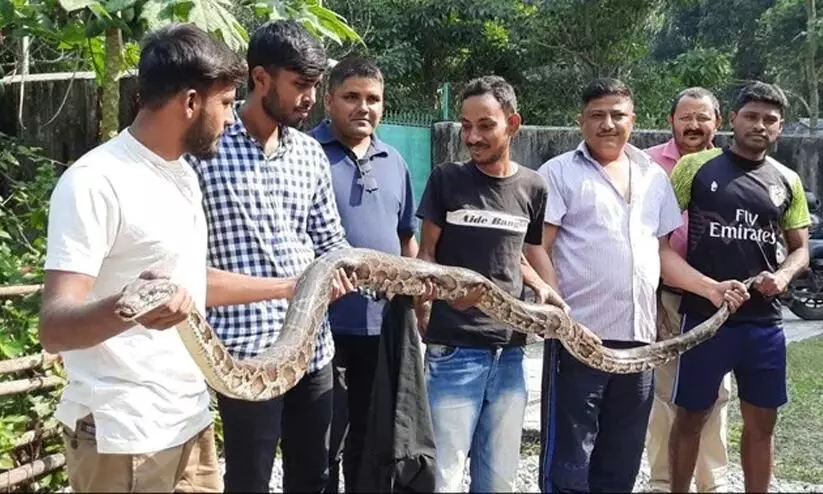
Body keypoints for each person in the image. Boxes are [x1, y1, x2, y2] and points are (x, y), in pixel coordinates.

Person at [39, 24, 252, 493]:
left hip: (188, 422)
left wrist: (294, 286)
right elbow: (54, 326)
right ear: (191, 102)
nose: (233, 120)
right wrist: (132, 304)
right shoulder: (96, 181)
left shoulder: (182, 175)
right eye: (227, 103)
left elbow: (189, 285)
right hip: (125, 437)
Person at [534, 78, 749, 493]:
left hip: (640, 344)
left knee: (623, 454)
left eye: (618, 115)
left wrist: (709, 287)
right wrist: (558, 312)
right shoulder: (558, 172)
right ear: (581, 121)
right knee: (569, 458)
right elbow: (539, 248)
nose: (607, 124)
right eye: (597, 115)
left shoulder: (653, 176)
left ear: (634, 120)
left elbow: (663, 254)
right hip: (579, 340)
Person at [186, 20, 357, 493]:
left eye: (315, 86)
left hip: (313, 352)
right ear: (260, 78)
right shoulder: (204, 150)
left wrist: (341, 272)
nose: (309, 98)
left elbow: (330, 241)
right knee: (250, 479)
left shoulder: (309, 154)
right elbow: (183, 262)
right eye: (300, 85)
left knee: (314, 477)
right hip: (245, 356)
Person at [415, 75, 561, 492]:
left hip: (511, 353)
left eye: (485, 125)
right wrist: (425, 305)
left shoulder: (532, 187)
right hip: (454, 350)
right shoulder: (447, 179)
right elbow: (427, 256)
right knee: (442, 475)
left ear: (512, 124)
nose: (472, 136)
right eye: (466, 125)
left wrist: (546, 292)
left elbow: (523, 253)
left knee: (498, 479)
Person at [663, 81, 811, 494]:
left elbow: (799, 249)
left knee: (762, 422)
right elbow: (657, 243)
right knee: (691, 416)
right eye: (751, 116)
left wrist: (782, 276)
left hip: (763, 324)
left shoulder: (788, 180)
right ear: (732, 119)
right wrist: (708, 287)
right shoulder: (694, 168)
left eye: (770, 120)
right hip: (703, 319)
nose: (760, 125)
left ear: (780, 128)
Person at [306, 56, 420, 492]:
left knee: (374, 441)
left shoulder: (395, 161)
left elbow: (405, 237)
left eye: (373, 99)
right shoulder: (304, 153)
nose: (363, 108)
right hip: (322, 326)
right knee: (321, 440)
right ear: (329, 100)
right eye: (351, 97)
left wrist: (418, 305)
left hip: (383, 325)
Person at [644, 87, 731, 493]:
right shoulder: (647, 165)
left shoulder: (733, 166)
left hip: (720, 301)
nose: (694, 125)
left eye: (703, 117)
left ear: (719, 121)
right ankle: (662, 481)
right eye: (686, 117)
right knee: (664, 392)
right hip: (665, 295)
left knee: (718, 393)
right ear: (671, 121)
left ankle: (713, 482)